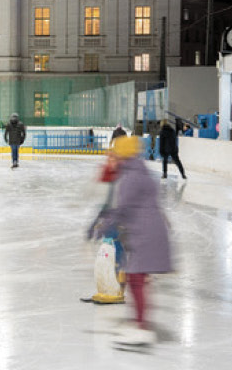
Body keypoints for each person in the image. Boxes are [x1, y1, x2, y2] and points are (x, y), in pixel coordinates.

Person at [93, 136, 174, 347]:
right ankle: (138, 323)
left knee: (136, 279)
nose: (114, 156)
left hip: (145, 234)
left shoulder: (131, 178)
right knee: (135, 278)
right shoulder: (139, 171)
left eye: (117, 152)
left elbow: (122, 209)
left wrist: (102, 226)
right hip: (146, 232)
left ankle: (141, 327)